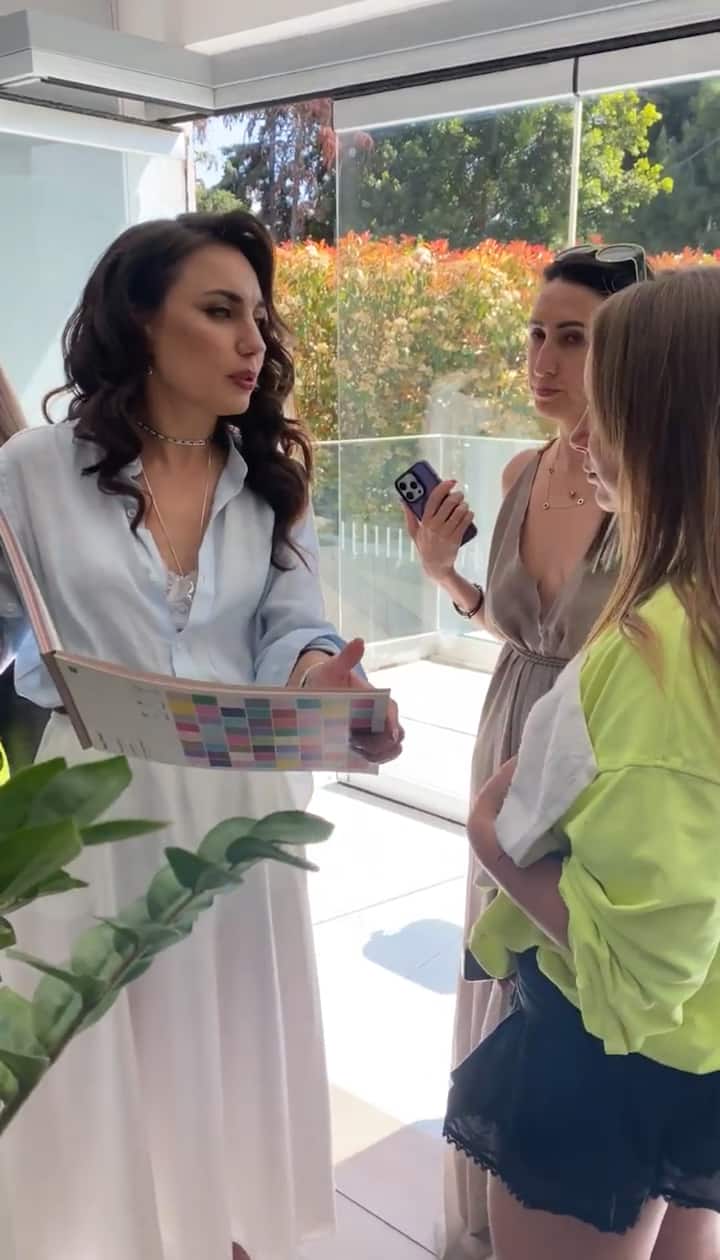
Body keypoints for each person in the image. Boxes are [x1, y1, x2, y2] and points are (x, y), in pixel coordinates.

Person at [0, 209, 402, 1260]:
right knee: (89, 1083)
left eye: (258, 318)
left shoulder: (269, 482)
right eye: (219, 312)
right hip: (91, 821)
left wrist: (327, 686)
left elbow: (293, 631)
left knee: (225, 1072)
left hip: (232, 820)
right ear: (141, 320)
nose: (250, 342)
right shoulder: (31, 470)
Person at [445, 263, 720, 1260]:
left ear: (653, 428)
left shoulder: (658, 657)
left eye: (608, 400)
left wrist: (495, 845)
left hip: (607, 1063)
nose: (583, 428)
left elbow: (642, 971)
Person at [404, 244, 649, 1258]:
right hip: (508, 722)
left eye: (573, 338)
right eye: (536, 334)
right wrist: (445, 574)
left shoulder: (659, 485)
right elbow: (520, 630)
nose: (543, 360)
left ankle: (579, 1208)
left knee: (575, 972)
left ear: (629, 352)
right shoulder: (520, 471)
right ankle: (487, 1206)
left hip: (600, 748)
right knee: (500, 956)